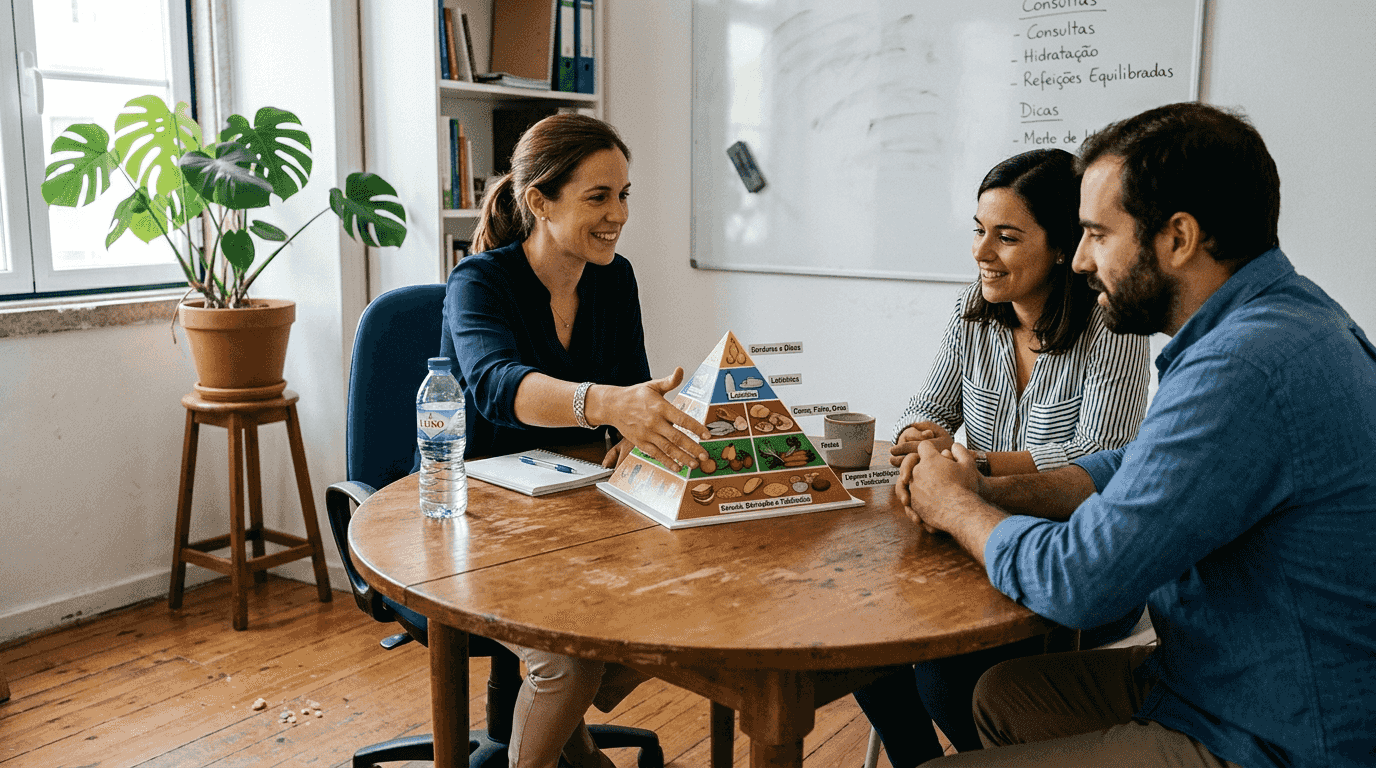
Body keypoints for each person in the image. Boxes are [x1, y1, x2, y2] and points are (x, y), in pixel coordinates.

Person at [903, 102, 1376, 768]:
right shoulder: (1287, 317)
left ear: (1177, 238)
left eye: (1098, 233)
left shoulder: (1240, 366)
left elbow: (1082, 583)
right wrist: (995, 487)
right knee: (1000, 695)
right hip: (1210, 676)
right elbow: (1139, 464)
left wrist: (957, 507)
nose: (1082, 261)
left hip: (1268, 731)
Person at [854, 148, 1152, 767]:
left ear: (1063, 245)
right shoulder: (975, 312)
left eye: (1007, 237)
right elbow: (929, 405)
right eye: (979, 231)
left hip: (1069, 562)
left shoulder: (1112, 327)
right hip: (969, 546)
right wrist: (920, 436)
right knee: (860, 636)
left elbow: (1091, 461)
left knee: (944, 674)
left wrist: (973, 471)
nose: (982, 253)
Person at [439, 113, 710, 768]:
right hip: (487, 520)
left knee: (699, 602)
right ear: (539, 201)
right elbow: (496, 386)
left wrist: (632, 433)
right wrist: (606, 406)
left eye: (624, 195)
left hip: (582, 507)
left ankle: (574, 737)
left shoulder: (614, 278)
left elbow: (628, 394)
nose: (618, 213)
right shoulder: (478, 283)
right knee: (569, 661)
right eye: (599, 196)